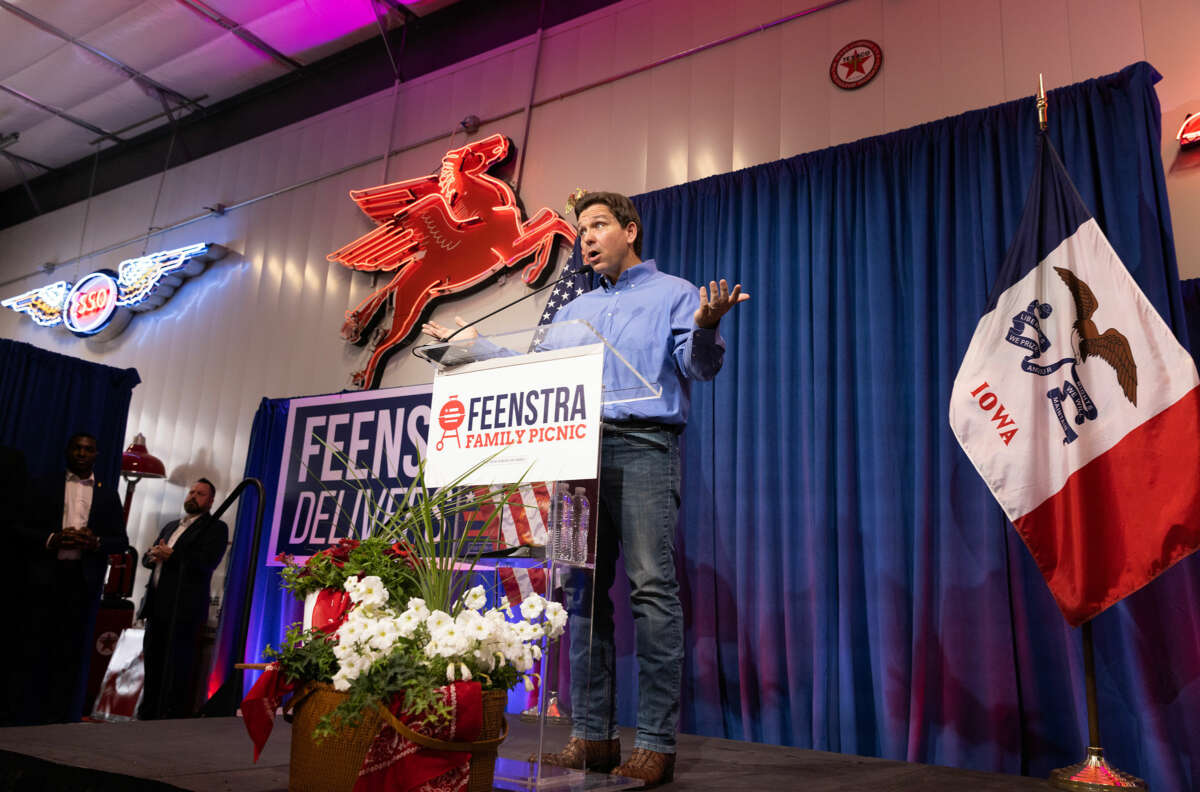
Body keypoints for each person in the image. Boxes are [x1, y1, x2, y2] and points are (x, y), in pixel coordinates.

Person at [425, 191, 747, 787]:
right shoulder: (576, 312)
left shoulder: (675, 293)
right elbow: (536, 372)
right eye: (582, 230)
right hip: (576, 458)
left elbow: (700, 368)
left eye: (599, 225)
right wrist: (471, 350)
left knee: (651, 588)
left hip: (644, 446)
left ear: (631, 230)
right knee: (581, 594)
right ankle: (592, 737)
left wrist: (704, 327)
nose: (588, 237)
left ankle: (654, 743)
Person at [20, 432, 127, 723]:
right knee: (34, 650)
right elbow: (18, 529)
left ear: (96, 455)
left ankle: (60, 720)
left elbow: (121, 541)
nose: (82, 453)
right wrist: (53, 538)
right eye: (77, 448)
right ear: (68, 451)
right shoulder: (43, 485)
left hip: (82, 584)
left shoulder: (108, 493)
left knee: (69, 655)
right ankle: (25, 717)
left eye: (88, 449)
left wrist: (95, 543)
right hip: (43, 580)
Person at [138, 478, 228, 719]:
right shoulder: (171, 526)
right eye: (191, 492)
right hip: (155, 607)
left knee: (177, 669)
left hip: (182, 610)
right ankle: (147, 715)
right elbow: (147, 557)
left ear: (210, 501)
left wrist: (172, 555)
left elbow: (206, 563)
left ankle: (169, 718)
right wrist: (154, 555)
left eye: (200, 494)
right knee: (153, 666)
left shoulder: (215, 529)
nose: (192, 496)